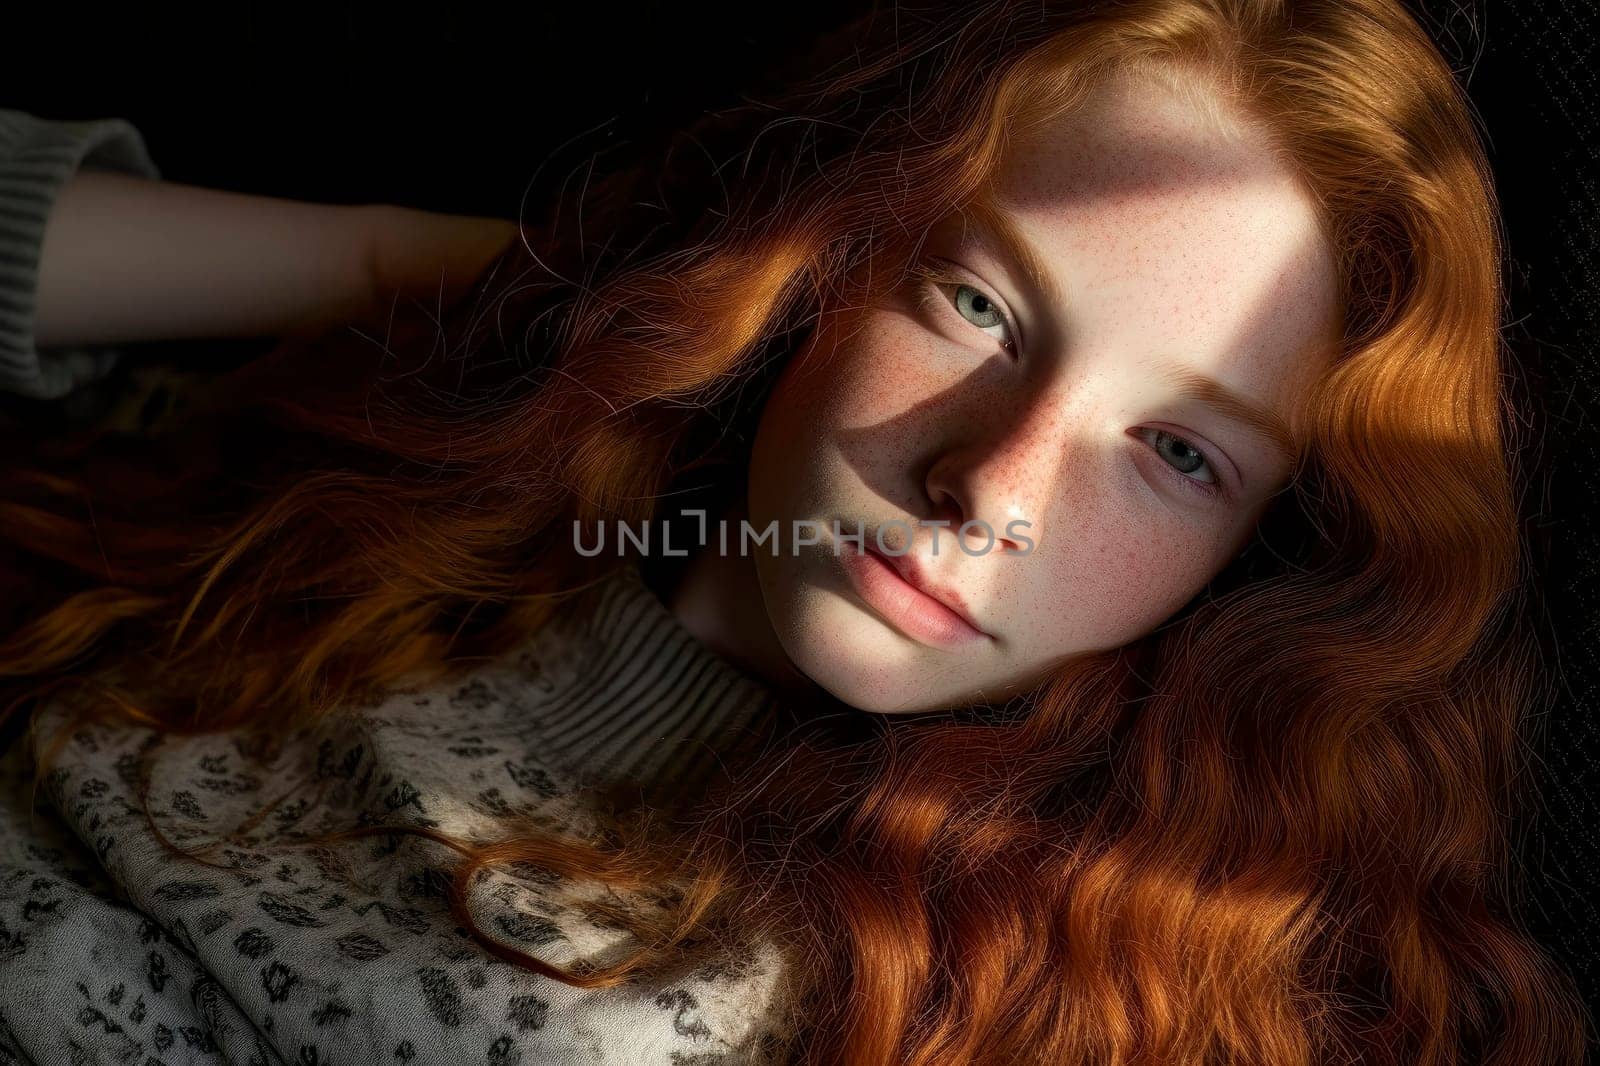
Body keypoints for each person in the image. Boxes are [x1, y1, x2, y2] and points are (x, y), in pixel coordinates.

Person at [0, 0, 1586, 1063]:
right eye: (979, 305)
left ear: (1261, 554)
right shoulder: (375, 509)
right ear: (817, 260)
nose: (999, 486)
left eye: (1176, 451)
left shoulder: (1070, 997)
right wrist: (509, 280)